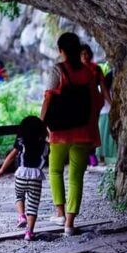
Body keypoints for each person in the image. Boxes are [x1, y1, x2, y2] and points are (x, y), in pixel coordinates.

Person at [41, 33, 102, 236]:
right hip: (83, 132)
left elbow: (48, 99)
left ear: (61, 50)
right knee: (76, 177)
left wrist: (41, 124)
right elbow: (96, 103)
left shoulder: (58, 70)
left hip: (60, 132)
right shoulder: (87, 73)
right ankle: (69, 223)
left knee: (55, 171)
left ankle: (59, 212)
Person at [0, 116, 49, 241]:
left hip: (21, 174)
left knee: (19, 196)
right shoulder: (45, 145)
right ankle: (29, 233)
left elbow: (11, 156)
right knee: (33, 205)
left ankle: (21, 216)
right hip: (36, 176)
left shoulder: (20, 142)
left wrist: (2, 169)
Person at [80, 44, 108, 167]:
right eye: (81, 54)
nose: (84, 56)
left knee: (92, 129)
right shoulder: (76, 69)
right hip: (79, 104)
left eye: (86, 53)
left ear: (90, 54)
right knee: (81, 130)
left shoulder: (96, 69)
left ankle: (91, 154)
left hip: (94, 103)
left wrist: (110, 102)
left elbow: (103, 88)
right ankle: (85, 156)